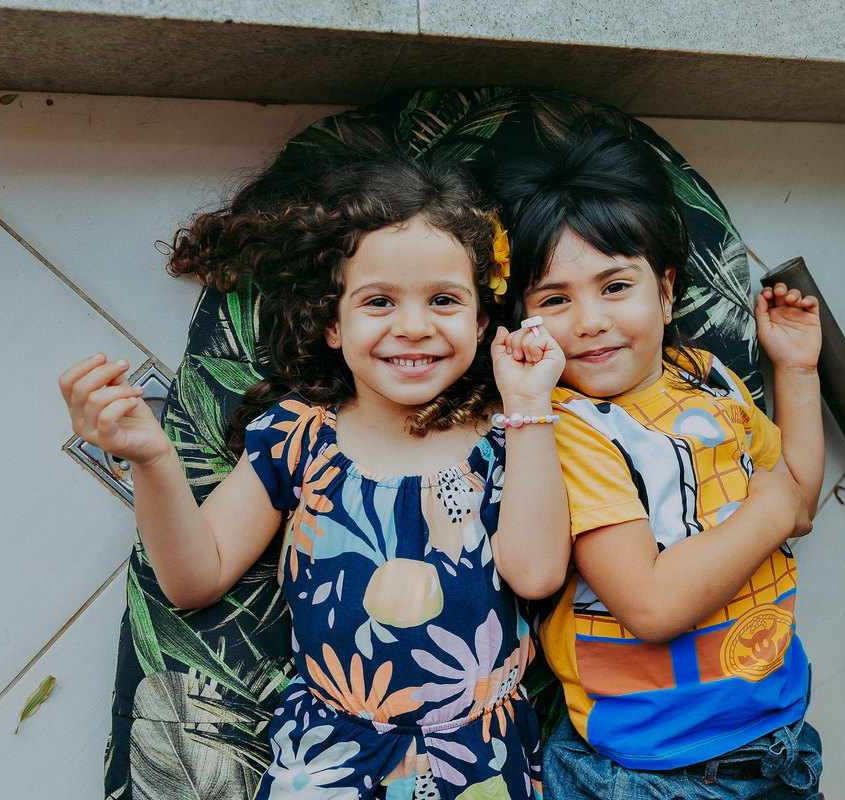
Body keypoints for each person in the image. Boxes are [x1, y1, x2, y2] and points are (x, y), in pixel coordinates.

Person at [60, 156, 571, 800]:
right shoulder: (300, 437)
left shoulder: (510, 434)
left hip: (479, 760)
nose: (413, 326)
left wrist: (529, 408)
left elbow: (537, 574)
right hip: (328, 759)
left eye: (444, 300)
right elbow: (194, 579)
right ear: (333, 323)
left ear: (480, 321)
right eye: (379, 301)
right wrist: (152, 459)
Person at [488, 125, 826, 799]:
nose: (588, 320)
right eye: (555, 299)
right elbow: (651, 603)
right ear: (522, 319)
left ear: (666, 292)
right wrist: (768, 507)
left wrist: (796, 371)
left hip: (777, 739)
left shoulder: (709, 379)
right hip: (647, 770)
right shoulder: (571, 430)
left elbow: (802, 499)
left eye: (615, 286)